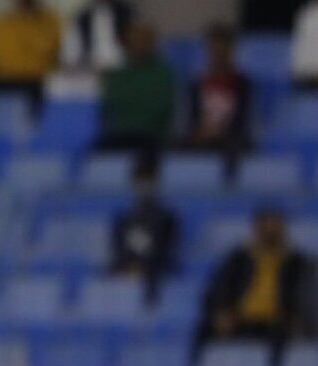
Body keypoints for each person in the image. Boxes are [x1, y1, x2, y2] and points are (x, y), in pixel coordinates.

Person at [198, 206, 312, 363]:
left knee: (284, 336)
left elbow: (304, 294)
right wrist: (221, 312)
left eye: (276, 226)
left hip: (275, 321)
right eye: (267, 226)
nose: (271, 230)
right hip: (241, 319)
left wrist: (295, 315)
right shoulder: (239, 259)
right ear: (257, 229)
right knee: (202, 329)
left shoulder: (295, 262)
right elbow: (217, 289)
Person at [93, 20, 175, 159]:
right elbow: (110, 104)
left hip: (150, 135)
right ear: (128, 43)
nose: (140, 44)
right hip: (119, 134)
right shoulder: (116, 74)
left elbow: (162, 108)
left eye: (145, 40)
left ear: (153, 43)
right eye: (136, 40)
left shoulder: (164, 74)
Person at [107, 154, 179, 299]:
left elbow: (166, 252)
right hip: (125, 275)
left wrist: (144, 268)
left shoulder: (167, 219)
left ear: (156, 182)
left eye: (148, 180)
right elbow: (118, 251)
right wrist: (127, 267)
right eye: (140, 180)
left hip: (156, 278)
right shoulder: (124, 220)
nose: (143, 186)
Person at [182, 22, 251, 162]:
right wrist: (200, 132)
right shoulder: (197, 84)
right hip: (202, 137)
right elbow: (193, 116)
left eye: (222, 50)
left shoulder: (242, 84)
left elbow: (242, 118)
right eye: (215, 50)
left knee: (239, 147)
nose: (218, 55)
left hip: (229, 138)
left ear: (230, 50)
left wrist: (218, 132)